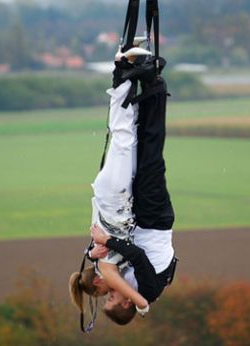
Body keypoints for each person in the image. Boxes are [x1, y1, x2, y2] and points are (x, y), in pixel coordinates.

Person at [69, 45, 176, 327]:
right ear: (126, 302)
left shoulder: (130, 285)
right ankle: (153, 81)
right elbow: (137, 255)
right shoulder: (147, 291)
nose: (111, 295)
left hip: (140, 216)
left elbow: (107, 261)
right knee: (150, 151)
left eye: (108, 298)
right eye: (113, 300)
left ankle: (137, 78)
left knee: (137, 146)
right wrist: (107, 243)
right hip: (155, 218)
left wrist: (93, 252)